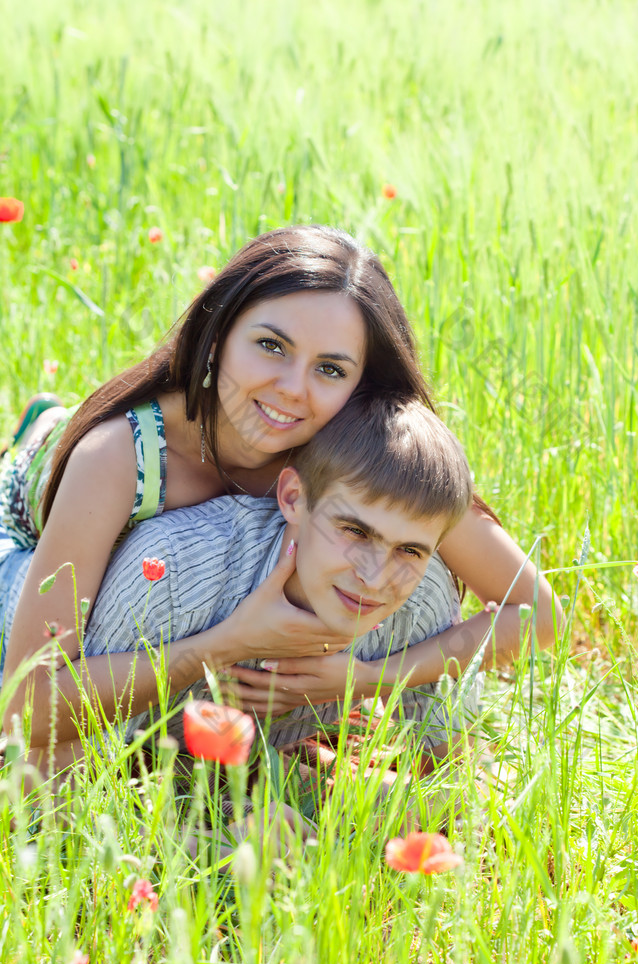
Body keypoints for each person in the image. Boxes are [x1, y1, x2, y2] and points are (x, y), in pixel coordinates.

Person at [0, 224, 561, 751]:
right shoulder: (118, 458)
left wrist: (365, 678)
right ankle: (44, 425)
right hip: (25, 516)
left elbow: (538, 615)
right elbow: (21, 706)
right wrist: (224, 646)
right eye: (271, 345)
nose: (292, 390)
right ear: (218, 336)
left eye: (331, 370)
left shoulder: (343, 445)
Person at [4, 395, 478, 783]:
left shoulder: (422, 596)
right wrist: (206, 840)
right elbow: (46, 760)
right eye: (355, 532)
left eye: (410, 550)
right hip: (28, 593)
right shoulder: (171, 570)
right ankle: (44, 434)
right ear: (293, 498)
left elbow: (455, 780)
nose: (376, 578)